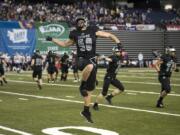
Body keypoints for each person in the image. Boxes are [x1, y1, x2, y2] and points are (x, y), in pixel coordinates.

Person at [46, 16, 123, 123]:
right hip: (81, 59)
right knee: (90, 66)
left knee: (89, 91)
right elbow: (64, 44)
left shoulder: (93, 30)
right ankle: (82, 84)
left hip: (92, 59)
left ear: (85, 22)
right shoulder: (75, 33)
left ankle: (86, 111)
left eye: (81, 21)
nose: (80, 23)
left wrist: (118, 43)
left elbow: (109, 35)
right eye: (78, 22)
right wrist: (52, 39)